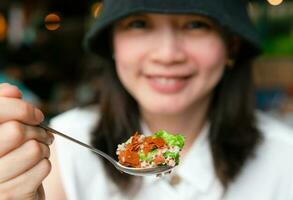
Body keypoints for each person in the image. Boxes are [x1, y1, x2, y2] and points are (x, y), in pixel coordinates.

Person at [0, 0, 293, 199]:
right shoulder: (63, 146)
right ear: (112, 43)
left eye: (196, 25)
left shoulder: (285, 158)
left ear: (231, 45)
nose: (167, 54)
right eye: (139, 24)